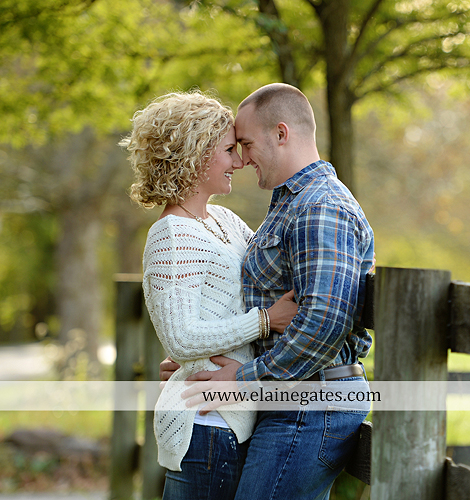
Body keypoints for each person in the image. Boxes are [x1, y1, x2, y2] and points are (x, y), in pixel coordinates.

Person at [163, 83, 375, 500]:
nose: (241, 159)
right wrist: (199, 361)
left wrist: (240, 379)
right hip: (291, 400)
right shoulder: (290, 203)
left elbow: (324, 323)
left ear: (282, 133)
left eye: (246, 143)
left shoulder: (320, 207)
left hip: (310, 404)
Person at [120, 91, 298, 500]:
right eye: (228, 151)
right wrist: (265, 321)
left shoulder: (226, 220)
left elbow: (274, 275)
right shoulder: (169, 235)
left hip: (232, 420)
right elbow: (181, 338)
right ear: (195, 155)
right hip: (205, 427)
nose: (239, 161)